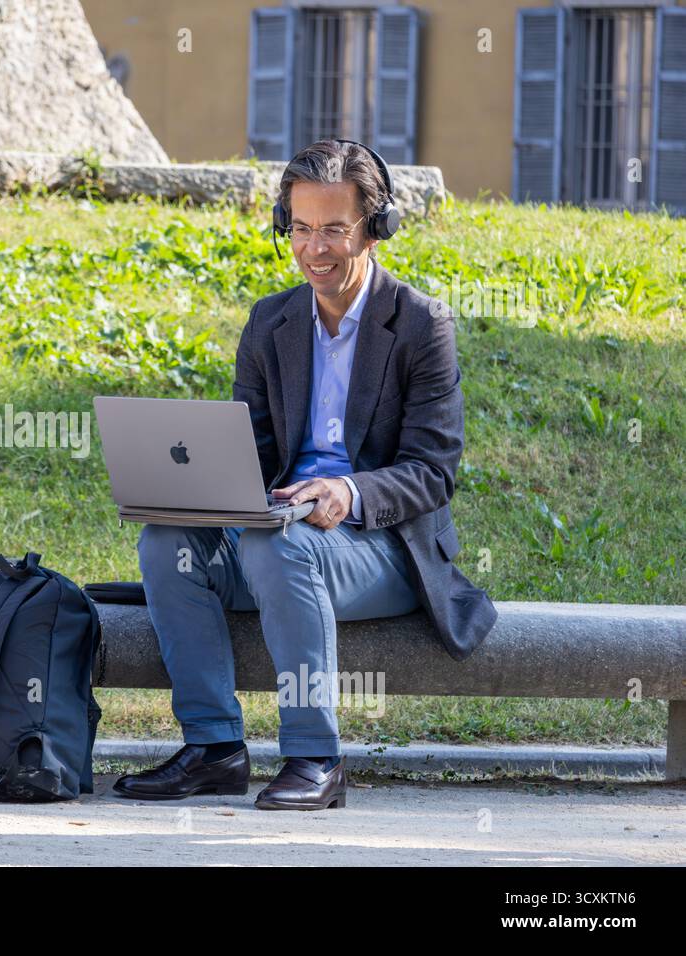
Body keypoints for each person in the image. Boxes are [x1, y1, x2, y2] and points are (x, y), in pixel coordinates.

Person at [111, 139, 497, 810]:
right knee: (166, 540)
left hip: (382, 546)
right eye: (300, 228)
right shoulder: (271, 321)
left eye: (333, 230)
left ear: (376, 230)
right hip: (281, 534)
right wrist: (201, 488)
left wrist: (345, 492)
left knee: (277, 542)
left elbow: (432, 472)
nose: (314, 248)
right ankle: (213, 749)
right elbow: (253, 450)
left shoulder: (421, 325)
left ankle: (316, 758)